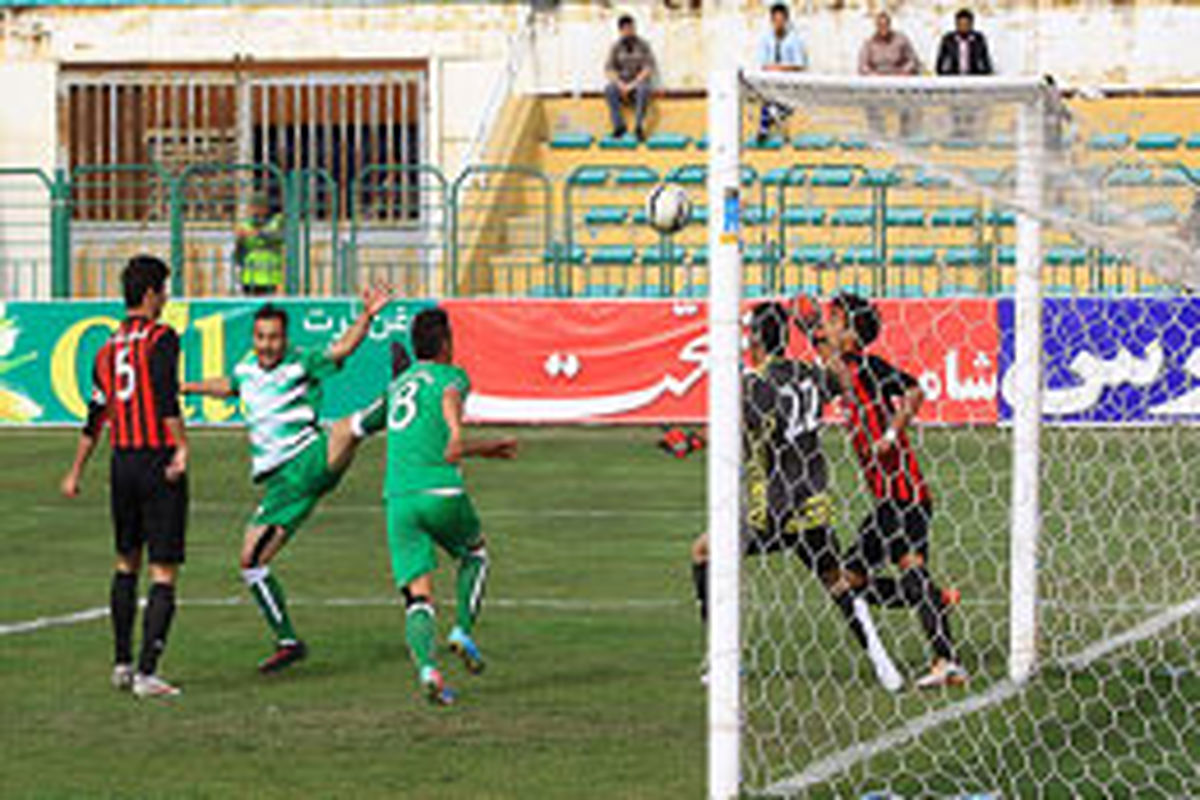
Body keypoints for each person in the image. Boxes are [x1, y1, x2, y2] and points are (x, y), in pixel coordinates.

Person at [689, 302, 902, 691]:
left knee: (705, 552)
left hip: (770, 509)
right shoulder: (808, 375)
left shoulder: (755, 385)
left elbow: (730, 431)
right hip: (813, 503)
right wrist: (819, 340)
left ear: (753, 339)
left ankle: (724, 660)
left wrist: (688, 441)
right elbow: (844, 381)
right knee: (837, 581)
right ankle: (884, 665)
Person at [180, 285, 392, 673]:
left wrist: (367, 316)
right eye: (261, 337)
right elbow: (230, 385)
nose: (267, 345)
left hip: (306, 458)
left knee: (346, 429)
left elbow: (341, 350)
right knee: (251, 563)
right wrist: (186, 386)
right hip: (281, 486)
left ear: (285, 337)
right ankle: (288, 641)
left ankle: (398, 393)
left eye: (274, 337)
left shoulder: (300, 362)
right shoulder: (246, 367)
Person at [351, 307, 518, 705]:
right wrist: (485, 444)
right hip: (440, 492)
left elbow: (361, 425)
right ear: (446, 343)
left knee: (417, 597)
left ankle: (429, 671)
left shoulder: (398, 387)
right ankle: (461, 629)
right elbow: (450, 418)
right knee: (475, 553)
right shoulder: (453, 376)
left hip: (398, 498)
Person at [806, 293, 967, 689]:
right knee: (855, 580)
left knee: (857, 578)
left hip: (904, 496)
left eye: (833, 321)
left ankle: (945, 654)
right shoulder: (845, 370)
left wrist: (892, 433)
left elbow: (914, 391)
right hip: (892, 499)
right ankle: (932, 600)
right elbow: (832, 372)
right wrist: (815, 335)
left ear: (849, 330)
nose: (827, 327)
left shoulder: (867, 367)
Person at [60, 255, 190, 699]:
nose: (166, 300)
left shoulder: (107, 348)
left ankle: (121, 663)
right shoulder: (162, 339)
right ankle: (148, 673)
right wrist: (181, 446)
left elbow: (95, 415)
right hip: (156, 460)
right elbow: (163, 395)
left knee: (125, 562)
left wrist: (76, 470)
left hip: (121, 464)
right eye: (165, 291)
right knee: (163, 571)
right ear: (151, 293)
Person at [858, 12, 921, 138]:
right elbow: (862, 65)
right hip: (877, 82)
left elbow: (913, 60)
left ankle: (906, 133)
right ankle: (877, 133)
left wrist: (904, 72)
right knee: (870, 102)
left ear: (890, 25)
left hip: (899, 80)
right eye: (880, 25)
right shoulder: (869, 42)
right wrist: (873, 75)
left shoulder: (901, 39)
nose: (883, 28)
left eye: (885, 25)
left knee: (906, 101)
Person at [936, 9, 994, 139]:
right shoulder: (948, 39)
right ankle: (957, 133)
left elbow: (985, 59)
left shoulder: (979, 38)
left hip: (973, 79)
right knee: (955, 108)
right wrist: (944, 77)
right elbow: (940, 61)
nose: (963, 27)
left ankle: (970, 133)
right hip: (954, 79)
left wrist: (985, 77)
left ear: (971, 24)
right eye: (960, 24)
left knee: (971, 107)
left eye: (966, 24)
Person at [755, 3, 808, 142]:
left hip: (789, 83)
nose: (778, 24)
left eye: (781, 20)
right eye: (775, 20)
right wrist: (774, 70)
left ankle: (769, 123)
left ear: (786, 21)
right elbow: (764, 64)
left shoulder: (795, 40)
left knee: (779, 103)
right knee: (767, 100)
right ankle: (768, 126)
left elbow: (799, 65)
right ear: (771, 21)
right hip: (772, 82)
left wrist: (780, 69)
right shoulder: (766, 39)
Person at [604, 15, 657, 141]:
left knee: (644, 89)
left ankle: (639, 127)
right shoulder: (615, 47)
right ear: (621, 31)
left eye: (632, 28)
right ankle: (619, 126)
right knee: (609, 89)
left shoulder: (643, 45)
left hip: (638, 83)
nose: (630, 31)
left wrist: (632, 84)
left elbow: (648, 68)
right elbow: (609, 69)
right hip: (622, 83)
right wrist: (620, 84)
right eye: (626, 29)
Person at [235, 193, 285, 296]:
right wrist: (240, 239)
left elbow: (278, 236)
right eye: (252, 207)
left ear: (266, 208)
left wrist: (256, 233)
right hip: (249, 276)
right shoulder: (245, 224)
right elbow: (239, 251)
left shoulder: (277, 221)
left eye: (258, 207)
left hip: (270, 276)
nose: (255, 210)